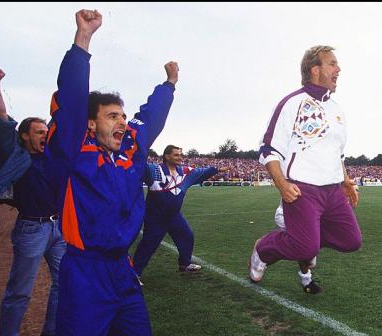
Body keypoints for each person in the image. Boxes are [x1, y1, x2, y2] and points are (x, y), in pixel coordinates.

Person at [46, 10, 177, 336]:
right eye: (111, 116)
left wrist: (168, 85)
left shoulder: (130, 152)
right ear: (91, 123)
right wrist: (83, 41)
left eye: (121, 115)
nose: (121, 122)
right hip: (85, 271)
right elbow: (71, 103)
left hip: (122, 268)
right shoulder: (74, 153)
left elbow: (148, 119)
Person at [249, 45, 362, 294]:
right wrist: (281, 183)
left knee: (351, 240)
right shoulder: (292, 103)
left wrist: (345, 181)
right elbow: (268, 148)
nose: (338, 69)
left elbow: (338, 153)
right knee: (305, 249)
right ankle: (263, 249)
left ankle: (304, 237)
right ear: (315, 69)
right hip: (303, 190)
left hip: (332, 191)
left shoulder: (337, 110)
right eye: (332, 64)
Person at [0, 67, 66, 336]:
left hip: (57, 229)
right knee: (20, 289)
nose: (45, 136)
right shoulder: (16, 156)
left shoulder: (51, 157)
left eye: (47, 132)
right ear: (23, 137)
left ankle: (51, 333)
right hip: (31, 229)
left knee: (64, 282)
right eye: (39, 132)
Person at [132, 145, 228, 279]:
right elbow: (136, 169)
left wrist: (216, 169)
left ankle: (185, 264)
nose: (180, 157)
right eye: (176, 155)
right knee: (148, 245)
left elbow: (201, 172)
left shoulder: (185, 172)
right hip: (156, 217)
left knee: (187, 236)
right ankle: (134, 273)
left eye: (180, 155)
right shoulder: (154, 170)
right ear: (167, 156)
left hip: (174, 216)